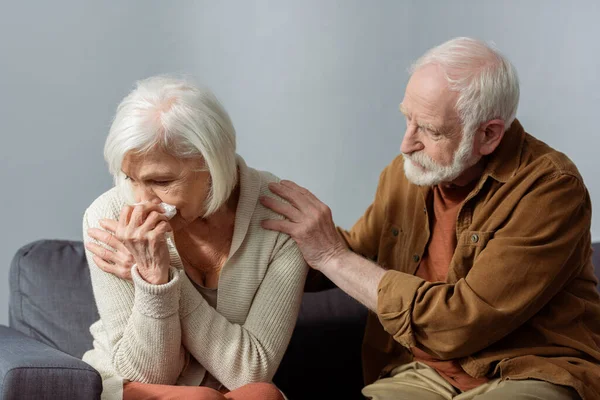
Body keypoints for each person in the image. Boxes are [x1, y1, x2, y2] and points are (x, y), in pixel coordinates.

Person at [261, 37, 600, 400]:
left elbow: (459, 323)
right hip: (424, 373)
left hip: (529, 370)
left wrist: (332, 256)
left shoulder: (550, 189)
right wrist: (258, 244)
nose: (407, 144)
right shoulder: (405, 173)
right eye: (408, 119)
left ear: (489, 135)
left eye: (431, 130)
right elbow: (360, 252)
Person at [82, 76, 308, 400]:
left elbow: (250, 372)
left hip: (229, 389)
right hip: (131, 382)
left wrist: (161, 273)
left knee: (262, 394)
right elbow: (148, 373)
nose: (142, 200)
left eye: (160, 181)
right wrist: (153, 283)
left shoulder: (280, 219)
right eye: (131, 178)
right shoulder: (108, 215)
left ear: (211, 163)